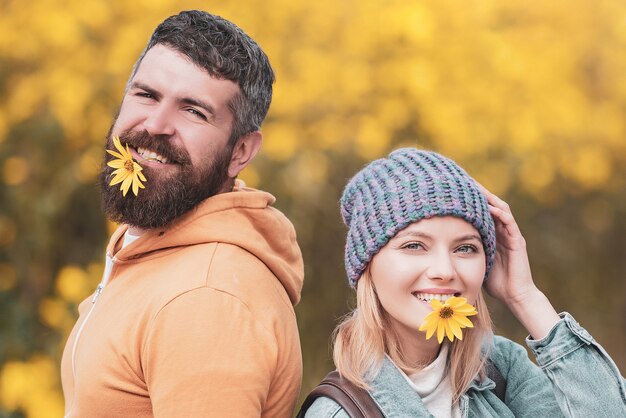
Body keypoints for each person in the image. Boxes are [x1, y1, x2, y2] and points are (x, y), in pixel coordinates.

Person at [60, 10, 304, 417]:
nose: (155, 125)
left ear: (240, 151)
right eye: (146, 95)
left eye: (193, 111)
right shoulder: (160, 246)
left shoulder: (206, 298)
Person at [303, 148, 626, 417]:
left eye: (465, 248)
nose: (444, 270)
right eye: (414, 245)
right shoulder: (340, 413)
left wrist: (525, 297)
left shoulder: (500, 369)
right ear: (367, 266)